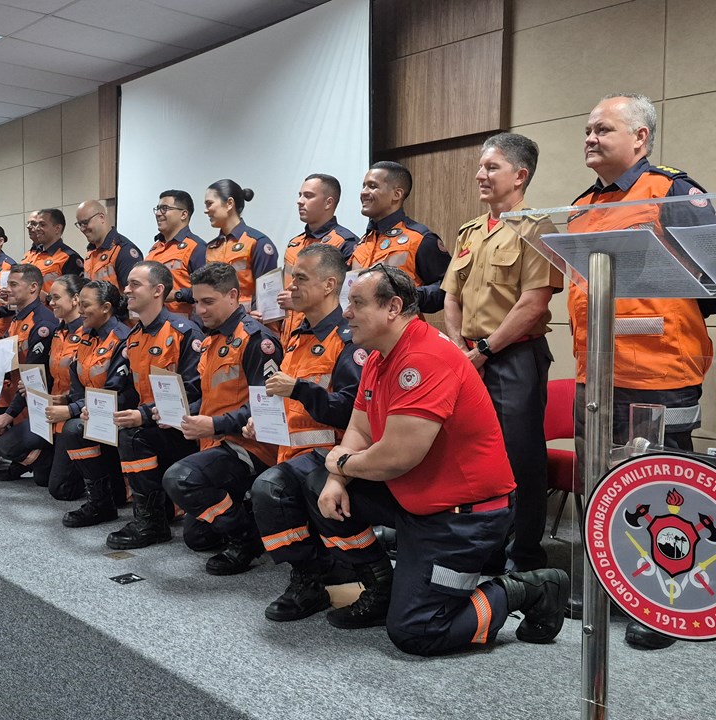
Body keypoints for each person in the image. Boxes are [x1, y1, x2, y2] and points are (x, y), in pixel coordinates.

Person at [283, 265, 569, 654]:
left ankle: (526, 589)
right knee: (312, 479)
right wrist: (335, 477)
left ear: (392, 307)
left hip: (463, 518)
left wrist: (342, 465)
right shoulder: (379, 356)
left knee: (418, 631)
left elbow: (397, 458)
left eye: (357, 303)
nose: (346, 312)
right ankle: (381, 586)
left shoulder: (423, 358)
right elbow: (360, 430)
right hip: (417, 501)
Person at [567, 92, 716, 650]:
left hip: (661, 371)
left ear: (640, 137)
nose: (590, 137)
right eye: (588, 129)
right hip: (595, 374)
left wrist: (666, 314)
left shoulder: (673, 191)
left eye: (603, 128)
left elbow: (712, 274)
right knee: (597, 483)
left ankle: (662, 602)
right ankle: (608, 587)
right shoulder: (580, 204)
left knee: (663, 489)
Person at [442, 133, 563, 573]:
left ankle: (525, 555)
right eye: (481, 166)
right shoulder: (470, 231)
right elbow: (451, 296)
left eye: (492, 167)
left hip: (514, 358)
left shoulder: (538, 229)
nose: (481, 174)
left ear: (519, 175)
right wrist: (461, 349)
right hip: (469, 357)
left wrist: (484, 351)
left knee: (521, 458)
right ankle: (486, 548)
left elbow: (533, 304)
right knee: (475, 455)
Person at [249, 244, 364, 618]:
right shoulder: (297, 335)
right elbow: (286, 399)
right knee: (269, 489)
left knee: (269, 488)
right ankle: (315, 570)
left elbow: (354, 411)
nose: (290, 286)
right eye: (291, 277)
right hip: (292, 453)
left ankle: (313, 576)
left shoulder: (347, 339)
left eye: (300, 278)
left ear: (329, 285)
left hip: (333, 457)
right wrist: (262, 420)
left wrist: (299, 389)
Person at [162, 262, 283, 575]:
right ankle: (248, 513)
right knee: (198, 538)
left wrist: (215, 425)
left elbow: (268, 407)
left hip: (252, 447)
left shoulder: (257, 340)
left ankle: (246, 540)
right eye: (196, 302)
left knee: (179, 479)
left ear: (233, 296)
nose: (200, 310)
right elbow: (212, 396)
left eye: (208, 302)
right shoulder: (212, 338)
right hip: (216, 443)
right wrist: (182, 412)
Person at [104, 261, 204, 550]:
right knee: (107, 426)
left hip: (185, 428)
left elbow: (194, 392)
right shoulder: (134, 337)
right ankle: (146, 509)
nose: (126, 290)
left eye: (135, 284)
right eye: (127, 284)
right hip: (153, 424)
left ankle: (152, 522)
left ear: (158, 290)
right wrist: (101, 408)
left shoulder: (184, 332)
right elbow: (127, 389)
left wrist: (143, 415)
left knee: (132, 435)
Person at [0, 274, 86, 488]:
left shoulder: (86, 333)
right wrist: (34, 387)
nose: (51, 303)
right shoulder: (58, 332)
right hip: (50, 411)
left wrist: (69, 404)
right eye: (50, 298)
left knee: (58, 488)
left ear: (75, 299)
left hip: (74, 412)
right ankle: (50, 458)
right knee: (6, 445)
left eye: (56, 298)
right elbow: (43, 374)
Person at [56, 280, 136, 526]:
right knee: (57, 487)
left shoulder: (122, 339)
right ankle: (103, 495)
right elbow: (77, 381)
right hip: (90, 412)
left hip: (119, 415)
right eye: (79, 303)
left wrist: (73, 409)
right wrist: (78, 405)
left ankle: (102, 503)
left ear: (106, 308)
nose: (79, 310)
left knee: (73, 429)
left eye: (86, 305)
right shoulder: (85, 335)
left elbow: (115, 392)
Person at [0, 264, 58, 480]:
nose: (7, 290)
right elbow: (11, 352)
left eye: (13, 285)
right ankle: (27, 460)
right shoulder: (18, 318)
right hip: (20, 396)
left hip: (37, 404)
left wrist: (8, 415)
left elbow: (34, 378)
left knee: (7, 447)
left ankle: (43, 457)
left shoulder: (42, 323)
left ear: (33, 287)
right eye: (8, 284)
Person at [351, 162, 448, 313]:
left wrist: (406, 296)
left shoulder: (420, 239)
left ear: (397, 194)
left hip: (401, 325)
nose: (363, 192)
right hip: (358, 325)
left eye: (372, 186)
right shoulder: (363, 241)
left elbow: (447, 289)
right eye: (364, 186)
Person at [277, 174, 358, 347]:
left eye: (308, 196)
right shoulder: (294, 243)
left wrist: (299, 301)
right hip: (289, 337)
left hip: (325, 339)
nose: (300, 201)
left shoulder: (345, 243)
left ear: (328, 203)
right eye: (300, 195)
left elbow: (348, 297)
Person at [204, 179, 279, 310]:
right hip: (216, 321)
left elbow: (268, 295)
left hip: (249, 321)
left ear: (229, 203)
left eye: (209, 204)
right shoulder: (211, 247)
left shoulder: (257, 242)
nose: (206, 210)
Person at [146, 190, 206, 317]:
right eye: (157, 209)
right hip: (153, 322)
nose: (158, 213)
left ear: (183, 214)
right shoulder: (154, 248)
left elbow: (207, 290)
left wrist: (177, 295)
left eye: (164, 208)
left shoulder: (196, 248)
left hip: (184, 325)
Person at [77, 201, 142, 292]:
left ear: (101, 217)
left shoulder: (124, 250)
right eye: (79, 224)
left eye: (85, 222)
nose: (82, 229)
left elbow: (134, 294)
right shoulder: (91, 252)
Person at [21, 208, 85, 298]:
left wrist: (47, 298)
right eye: (36, 224)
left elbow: (74, 296)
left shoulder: (69, 257)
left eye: (42, 225)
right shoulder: (32, 254)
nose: (37, 229)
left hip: (51, 307)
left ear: (57, 229)